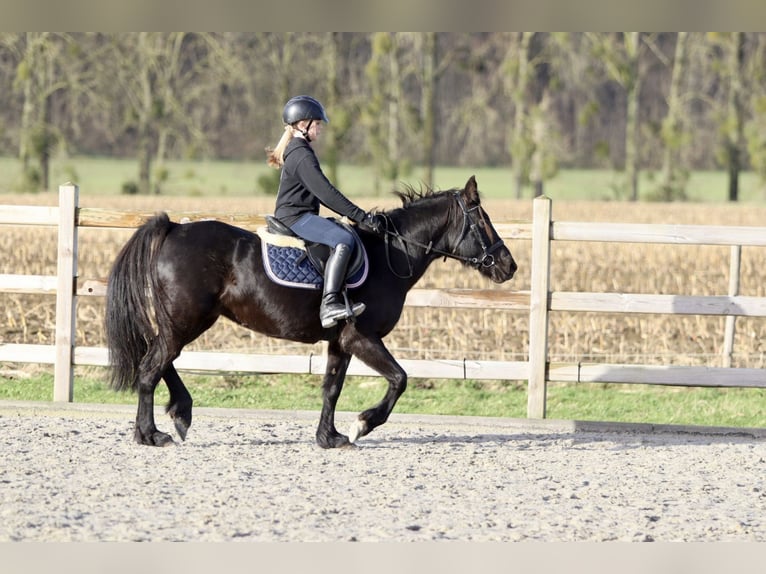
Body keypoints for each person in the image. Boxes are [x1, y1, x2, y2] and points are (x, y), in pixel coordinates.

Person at [266, 95, 384, 328]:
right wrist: (362, 217)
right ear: (303, 125)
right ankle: (330, 303)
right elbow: (326, 194)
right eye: (317, 124)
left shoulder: (299, 149)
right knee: (343, 239)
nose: (320, 129)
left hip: (299, 215)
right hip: (296, 218)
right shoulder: (300, 154)